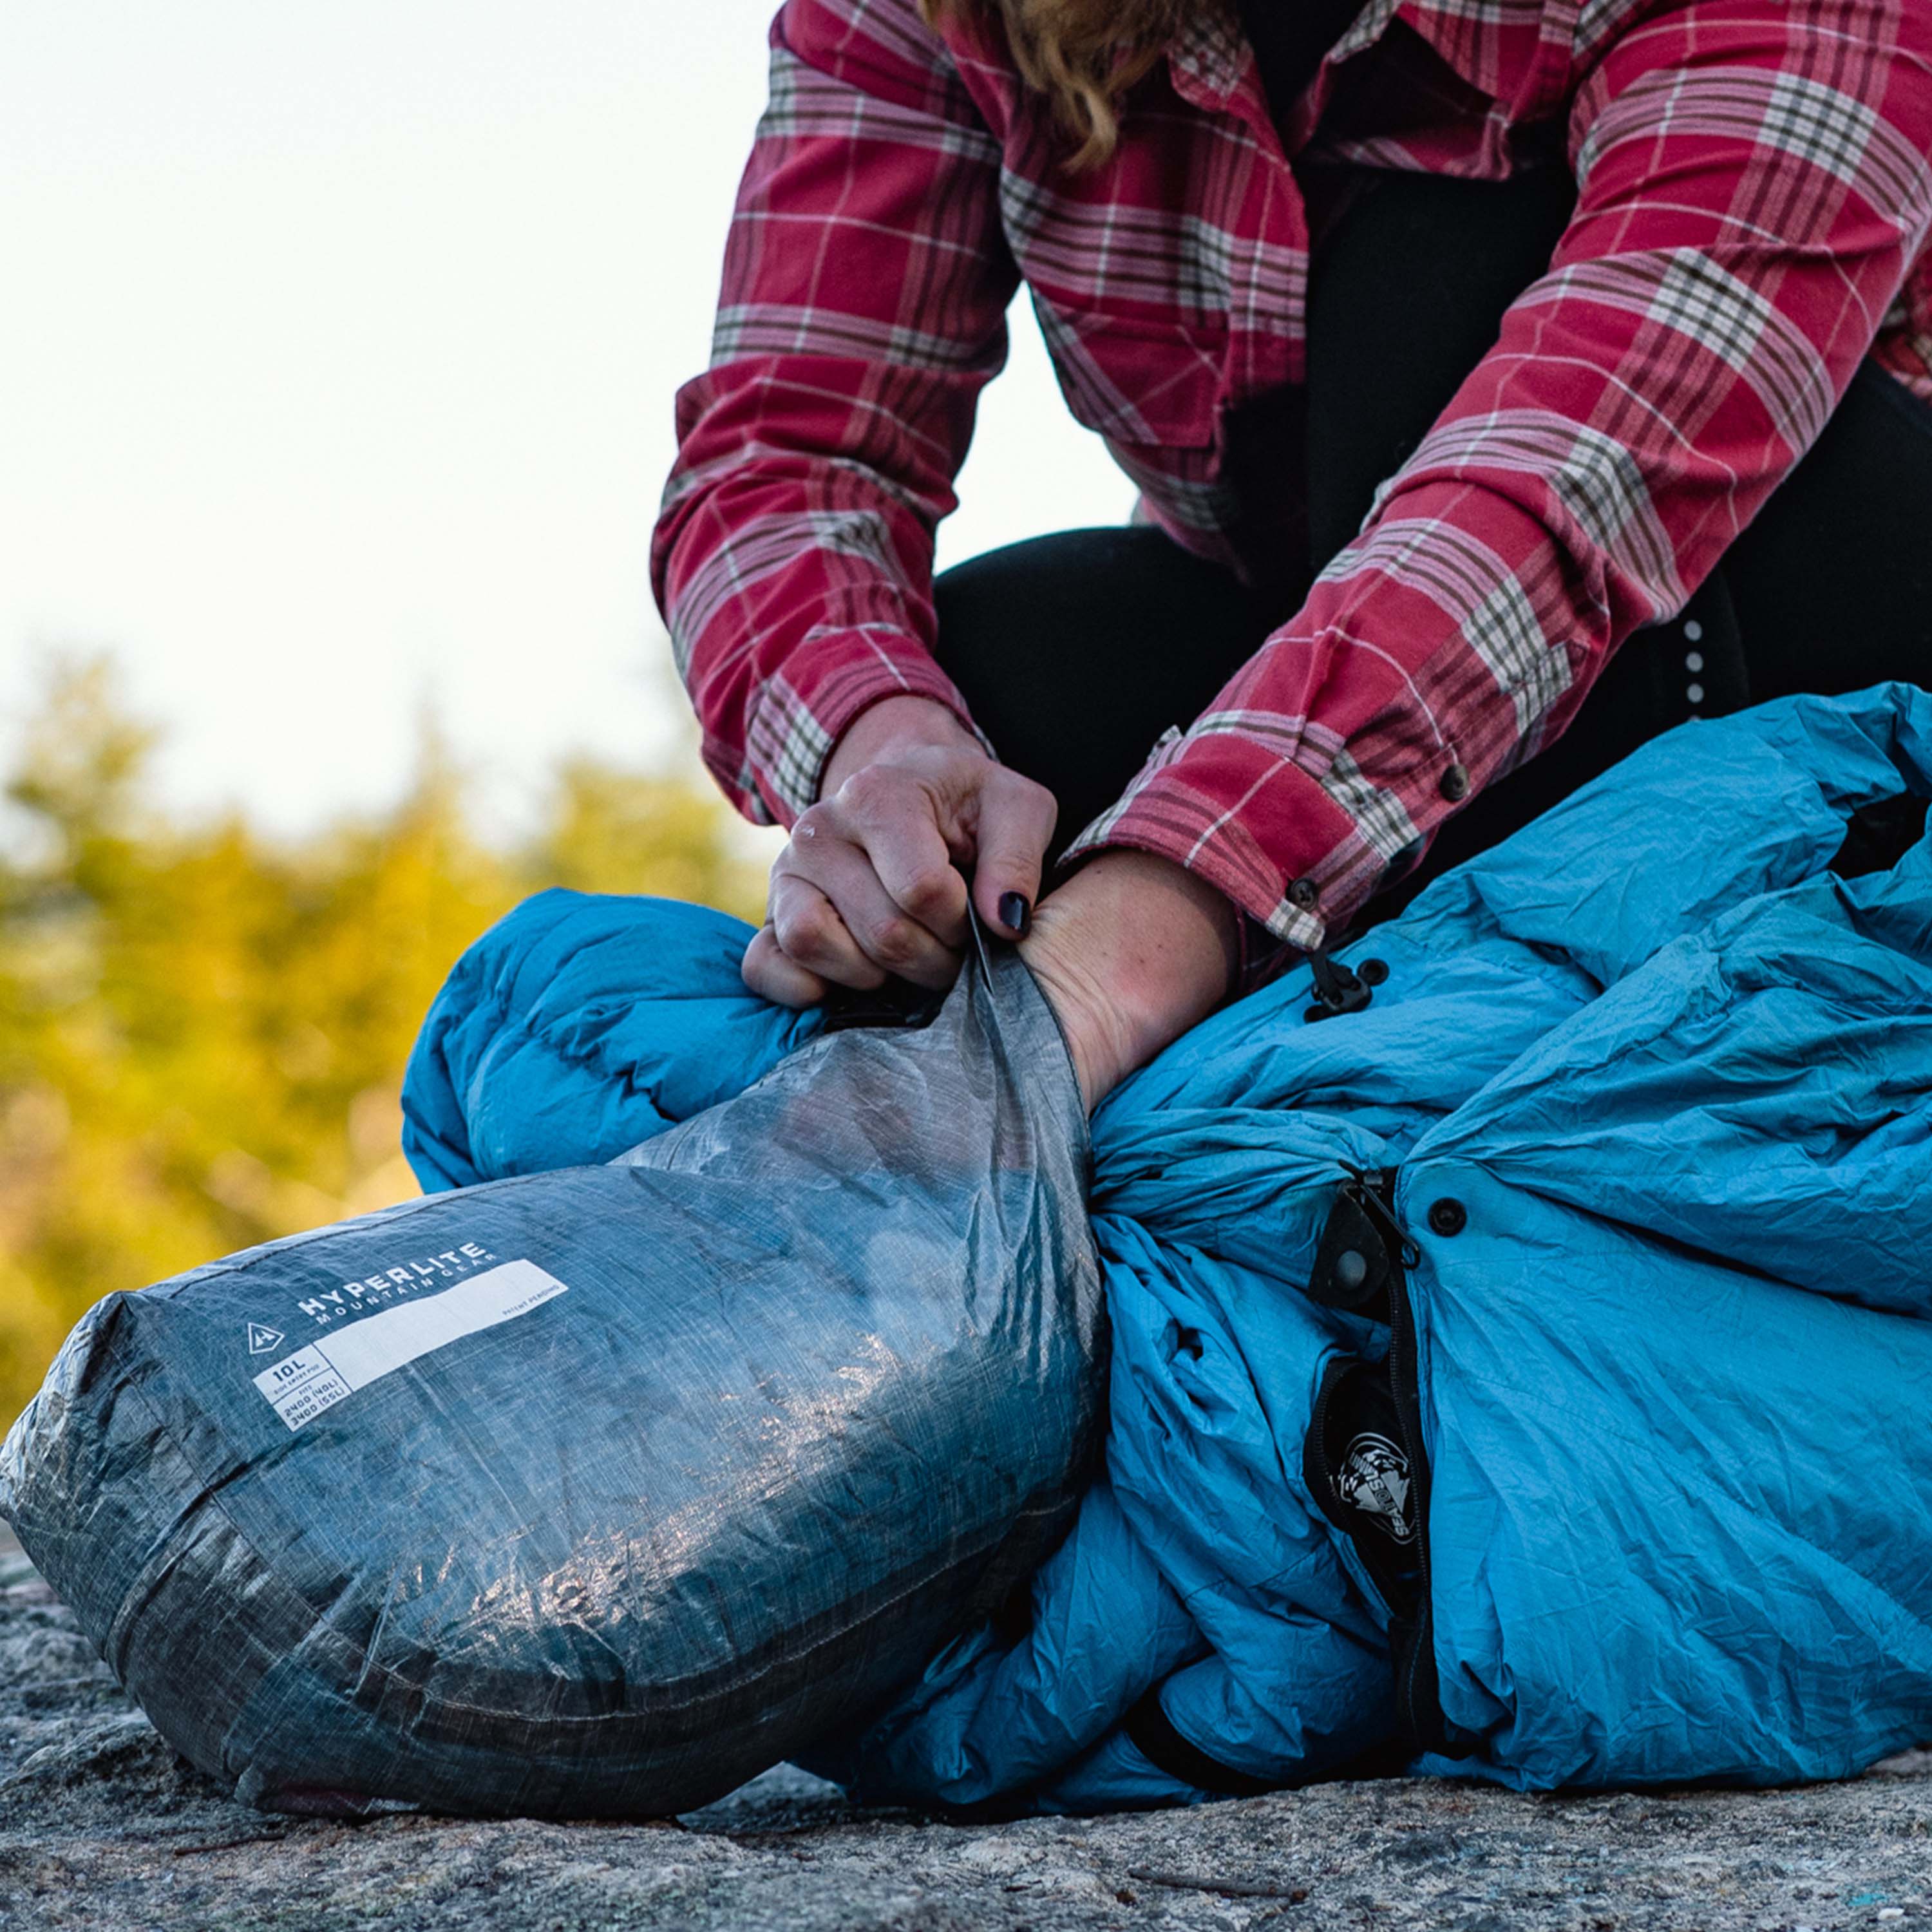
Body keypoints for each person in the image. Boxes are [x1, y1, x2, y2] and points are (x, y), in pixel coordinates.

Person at [654, 0, 1932, 1110]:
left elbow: (1564, 491)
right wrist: (893, 766)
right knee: (1005, 671)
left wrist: (1125, 958)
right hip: (1322, 679)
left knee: (1423, 279)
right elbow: (791, 451)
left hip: (1788, 680)